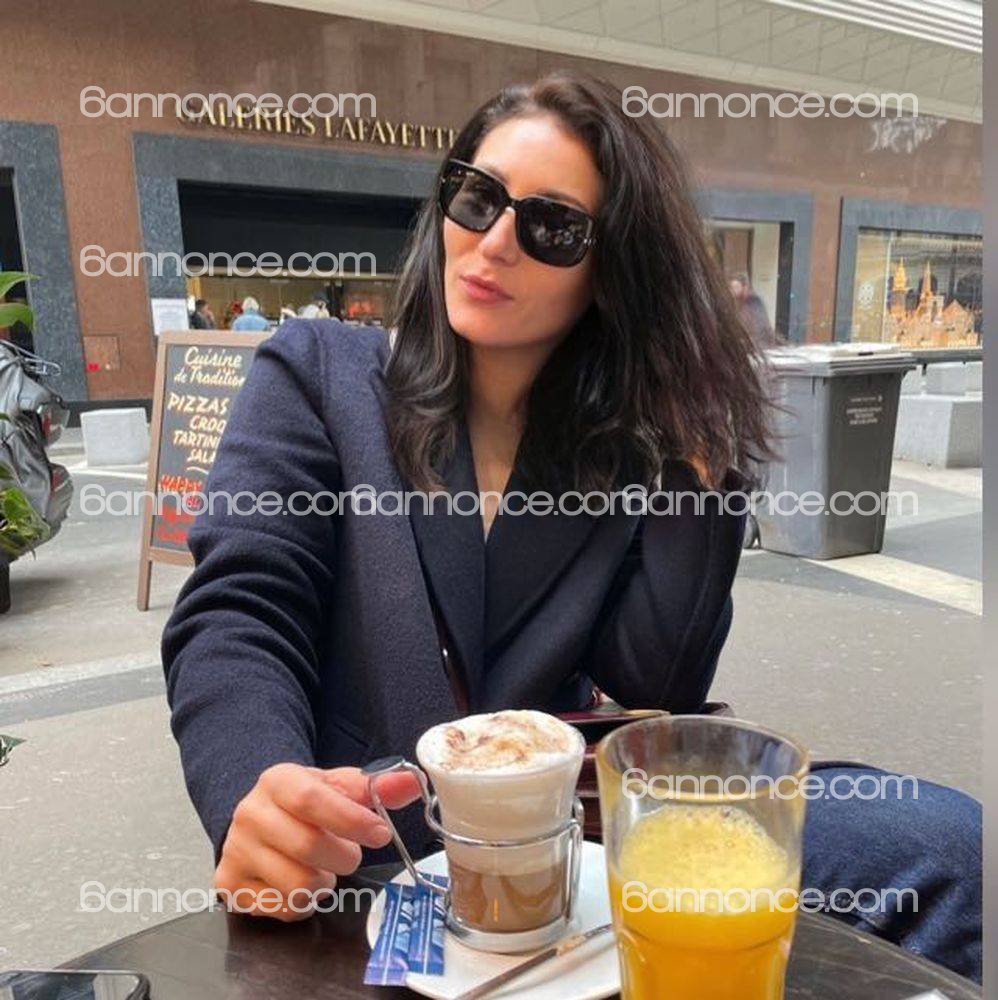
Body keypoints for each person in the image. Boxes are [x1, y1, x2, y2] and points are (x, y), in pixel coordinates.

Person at [161, 71, 981, 981]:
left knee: (947, 848)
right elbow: (241, 610)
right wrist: (257, 787)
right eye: (477, 197)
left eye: (552, 228)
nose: (493, 241)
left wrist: (696, 456)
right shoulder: (322, 377)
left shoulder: (620, 453)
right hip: (376, 862)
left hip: (577, 849)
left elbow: (655, 688)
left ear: (613, 273)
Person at [729, 270, 782, 348]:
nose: (732, 291)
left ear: (745, 287)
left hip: (759, 347)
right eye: (731, 288)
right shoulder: (742, 303)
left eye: (736, 287)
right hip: (755, 346)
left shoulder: (752, 303)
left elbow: (756, 328)